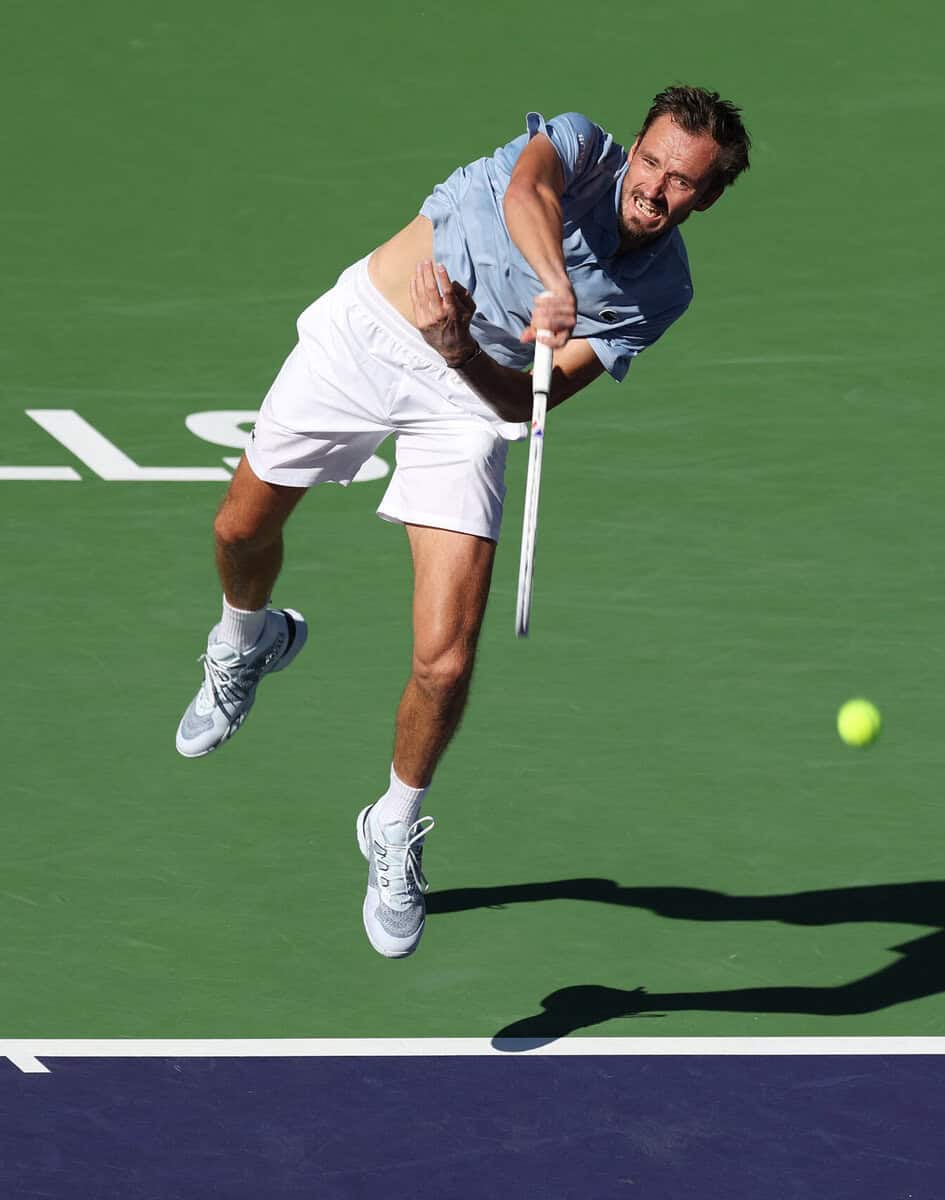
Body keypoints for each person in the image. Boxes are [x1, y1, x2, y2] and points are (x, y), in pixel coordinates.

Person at [173, 87, 751, 960]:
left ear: (707, 200)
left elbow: (524, 397)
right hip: (372, 329)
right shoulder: (579, 146)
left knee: (446, 659)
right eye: (655, 163)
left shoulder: (660, 292)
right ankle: (243, 639)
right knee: (237, 533)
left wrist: (461, 351)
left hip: (468, 391)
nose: (657, 188)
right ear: (633, 146)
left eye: (684, 184)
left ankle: (393, 823)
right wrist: (556, 286)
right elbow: (528, 197)